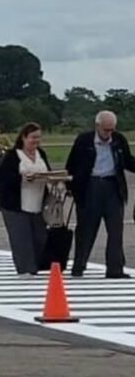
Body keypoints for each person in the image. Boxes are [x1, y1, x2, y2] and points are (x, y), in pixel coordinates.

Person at [66, 110, 135, 279]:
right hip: (90, 187)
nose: (108, 133)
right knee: (86, 230)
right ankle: (79, 265)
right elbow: (71, 164)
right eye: (105, 130)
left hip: (112, 186)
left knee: (115, 230)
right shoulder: (84, 141)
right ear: (97, 126)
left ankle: (115, 268)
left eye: (111, 129)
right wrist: (71, 187)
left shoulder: (118, 140)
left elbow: (128, 161)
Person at [0, 122, 52, 278]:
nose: (36, 141)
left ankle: (35, 267)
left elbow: (49, 172)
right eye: (33, 137)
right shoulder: (13, 156)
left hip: (38, 202)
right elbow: (2, 178)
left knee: (40, 237)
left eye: (38, 137)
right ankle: (24, 269)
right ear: (23, 137)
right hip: (15, 204)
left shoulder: (41, 153)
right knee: (21, 238)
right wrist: (22, 179)